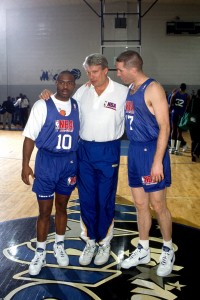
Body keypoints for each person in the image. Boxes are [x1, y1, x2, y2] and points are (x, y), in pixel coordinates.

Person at [39, 53, 128, 266]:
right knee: (86, 199)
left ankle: (104, 242)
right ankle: (89, 241)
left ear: (106, 70)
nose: (91, 76)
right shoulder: (82, 91)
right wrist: (47, 96)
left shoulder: (123, 93)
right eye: (88, 72)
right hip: (83, 150)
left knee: (104, 199)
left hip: (109, 150)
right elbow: (64, 107)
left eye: (95, 72)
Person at [115, 50, 174, 277]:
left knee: (158, 205)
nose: (118, 73)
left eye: (120, 69)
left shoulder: (153, 88)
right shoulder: (131, 89)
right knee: (140, 205)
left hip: (151, 152)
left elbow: (165, 127)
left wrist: (158, 161)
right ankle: (143, 249)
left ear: (132, 69)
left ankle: (168, 249)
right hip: (135, 151)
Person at [21, 70, 80, 276]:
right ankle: (40, 252)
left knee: (62, 207)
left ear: (74, 85)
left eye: (69, 83)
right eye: (61, 82)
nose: (65, 86)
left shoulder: (76, 105)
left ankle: (59, 245)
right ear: (56, 83)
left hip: (69, 163)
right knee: (44, 211)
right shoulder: (42, 105)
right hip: (47, 163)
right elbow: (29, 136)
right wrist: (25, 164)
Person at [169, 83, 191, 155]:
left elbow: (171, 105)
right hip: (181, 114)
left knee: (173, 130)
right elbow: (187, 107)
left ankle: (172, 148)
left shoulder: (174, 94)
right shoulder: (187, 96)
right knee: (179, 131)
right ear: (185, 88)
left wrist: (169, 112)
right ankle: (177, 150)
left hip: (174, 113)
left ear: (180, 88)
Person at [188, 89, 200, 162]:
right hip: (199, 123)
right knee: (198, 139)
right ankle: (196, 152)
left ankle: (193, 156)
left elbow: (188, 110)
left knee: (193, 140)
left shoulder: (193, 100)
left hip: (192, 123)